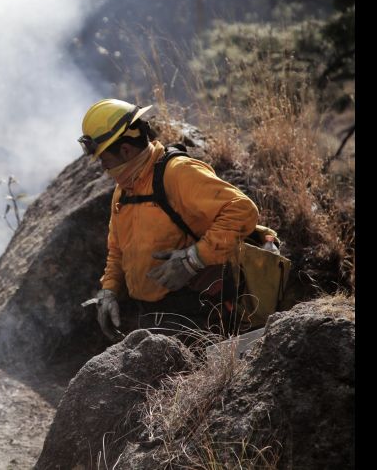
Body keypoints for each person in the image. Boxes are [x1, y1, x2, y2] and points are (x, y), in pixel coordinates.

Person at [78, 99, 259, 343]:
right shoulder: (124, 190)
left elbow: (242, 210)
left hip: (201, 313)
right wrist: (109, 290)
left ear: (125, 151)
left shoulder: (177, 173)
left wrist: (193, 259)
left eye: (104, 159)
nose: (103, 167)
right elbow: (117, 249)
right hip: (156, 316)